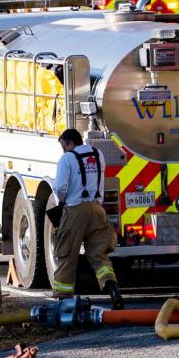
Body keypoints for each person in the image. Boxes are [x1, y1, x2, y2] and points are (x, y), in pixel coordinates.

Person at [52, 128, 123, 309]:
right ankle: (112, 287)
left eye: (63, 146)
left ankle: (63, 299)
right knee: (99, 255)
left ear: (70, 143)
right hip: (97, 210)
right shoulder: (97, 154)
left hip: (75, 209)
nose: (63, 150)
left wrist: (64, 199)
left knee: (67, 253)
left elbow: (60, 187)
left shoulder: (67, 159)